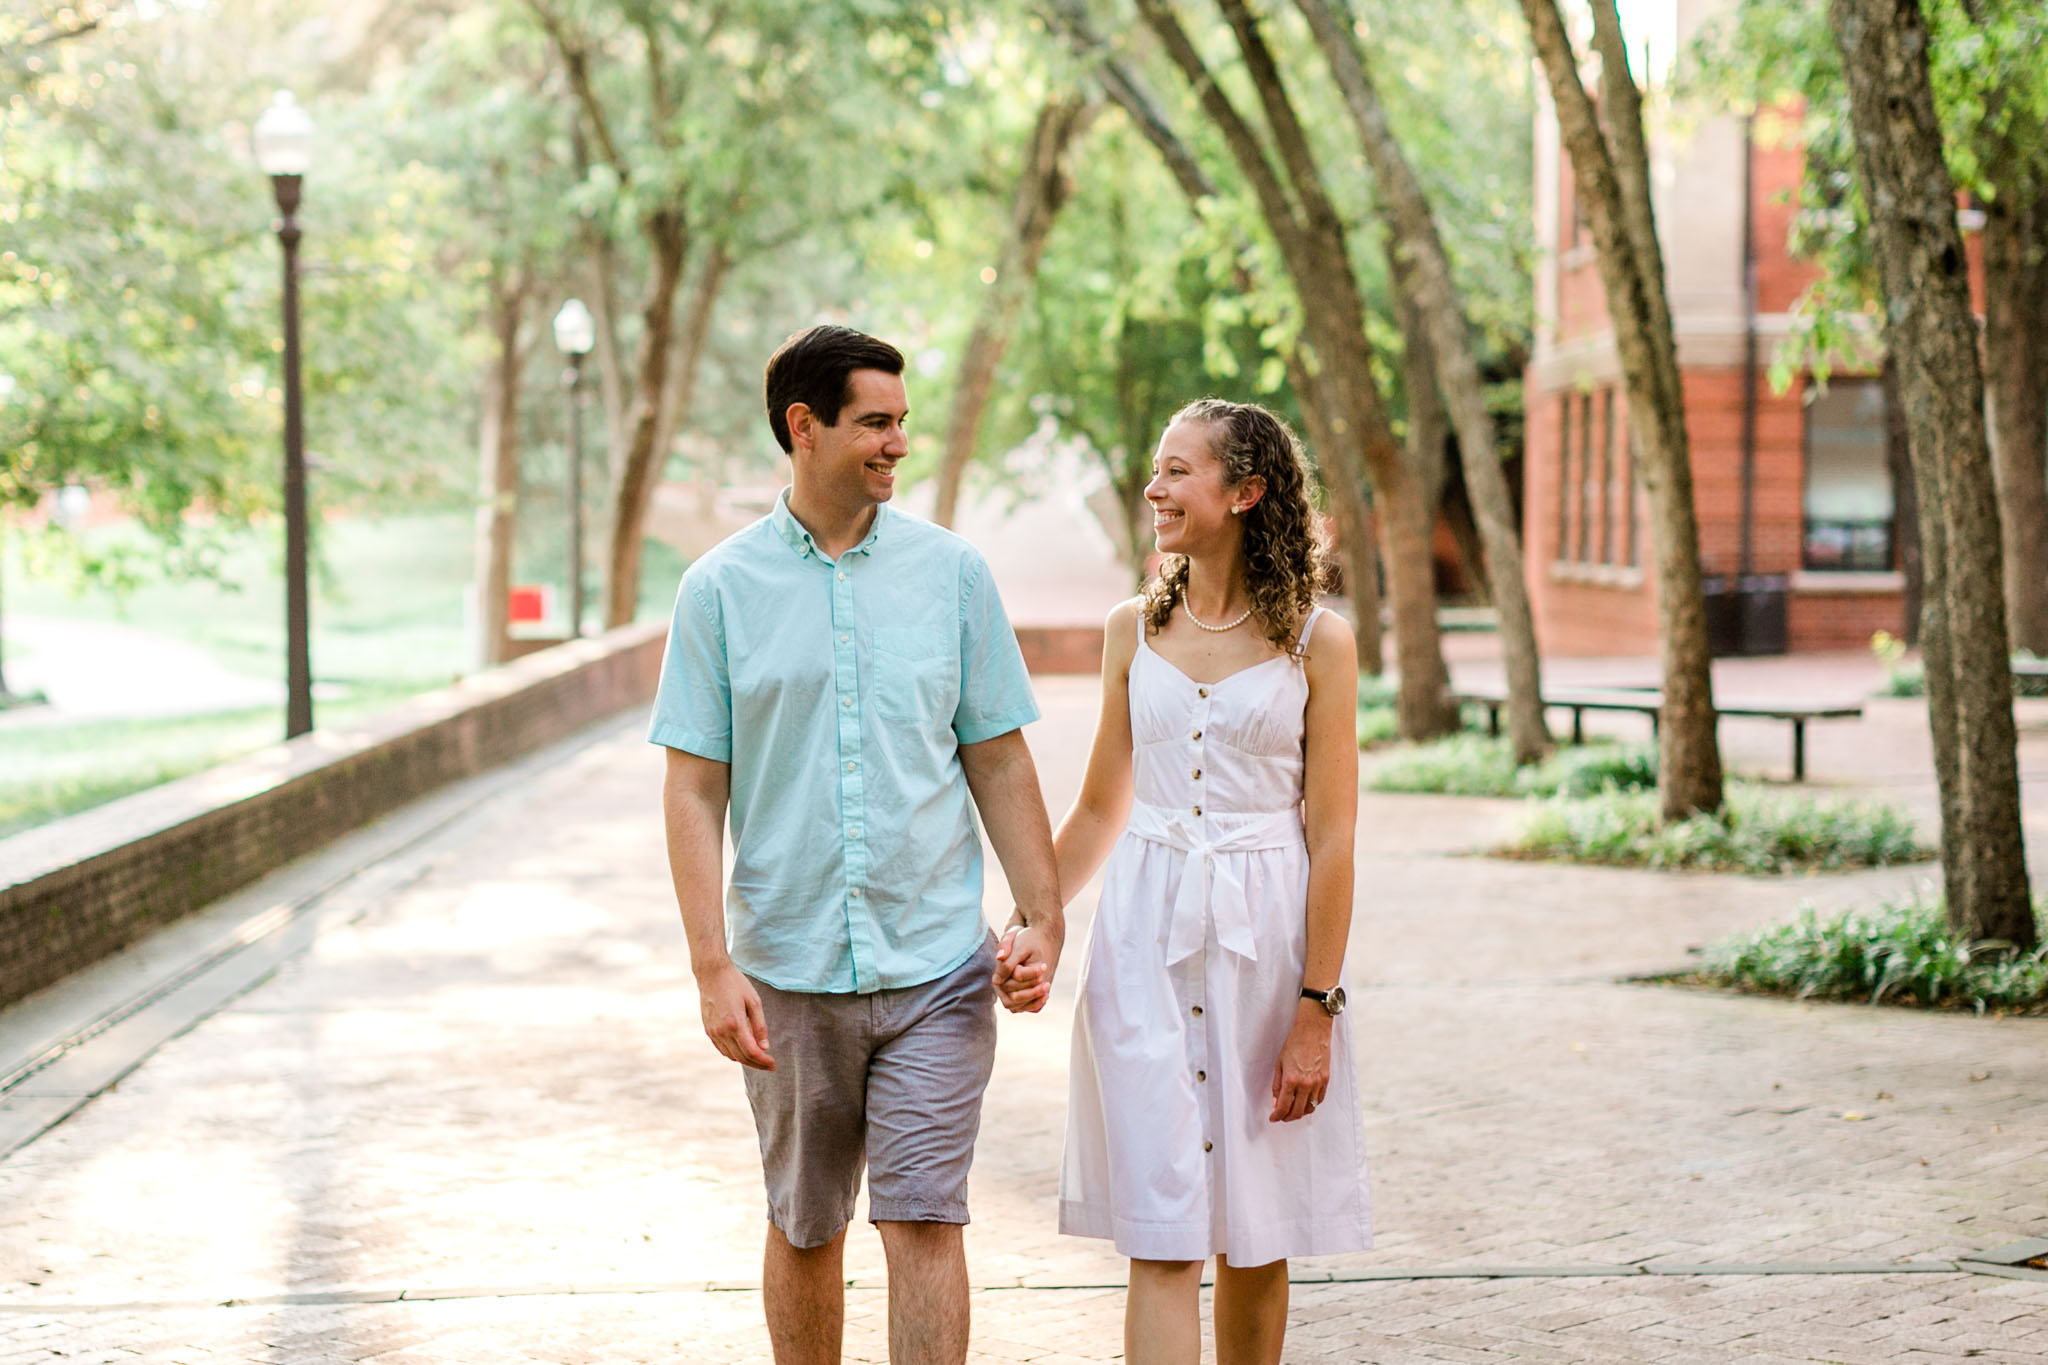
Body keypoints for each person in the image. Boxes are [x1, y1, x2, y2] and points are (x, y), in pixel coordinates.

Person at [651, 324, 1064, 1365]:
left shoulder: (952, 575)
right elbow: (695, 791)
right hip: (786, 969)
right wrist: (711, 965)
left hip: (933, 960)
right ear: (804, 427)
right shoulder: (718, 591)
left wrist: (1042, 915)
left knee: (924, 1216)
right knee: (806, 1223)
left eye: (901, 423)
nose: (895, 444)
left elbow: (999, 760)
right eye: (874, 423)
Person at [1002, 398, 1371, 1365]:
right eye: (1156, 470)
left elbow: (1332, 840)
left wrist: (1315, 1008)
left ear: (1246, 492)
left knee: (1256, 1231)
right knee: (1161, 1232)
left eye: (1177, 470)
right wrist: (1037, 921)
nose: (1154, 488)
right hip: (1142, 942)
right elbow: (1096, 809)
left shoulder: (1316, 642)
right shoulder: (1133, 627)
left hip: (1268, 946)